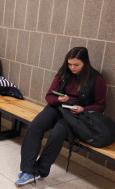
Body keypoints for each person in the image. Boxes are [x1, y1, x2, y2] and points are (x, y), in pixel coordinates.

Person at [15, 47, 107, 186]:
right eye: (69, 64)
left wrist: (83, 108)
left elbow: (101, 105)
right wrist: (59, 100)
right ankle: (28, 170)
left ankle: (39, 170)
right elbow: (49, 96)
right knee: (34, 127)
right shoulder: (64, 72)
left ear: (85, 63)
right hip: (57, 107)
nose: (72, 67)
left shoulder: (96, 78)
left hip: (76, 115)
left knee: (57, 134)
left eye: (76, 65)